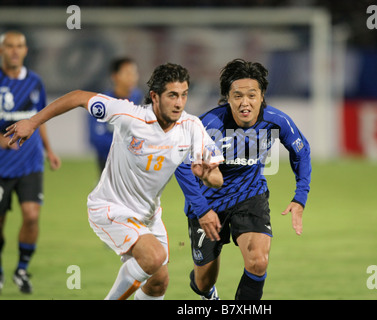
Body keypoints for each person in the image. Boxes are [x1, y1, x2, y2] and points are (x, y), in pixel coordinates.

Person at [4, 63, 224, 300]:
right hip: (111, 207)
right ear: (154, 96)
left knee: (159, 283)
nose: (179, 103)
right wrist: (33, 122)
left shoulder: (191, 127)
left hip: (148, 216)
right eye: (172, 95)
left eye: (183, 95)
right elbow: (78, 97)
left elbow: (217, 179)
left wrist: (205, 175)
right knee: (153, 257)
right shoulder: (130, 115)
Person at [175, 58, 311, 300]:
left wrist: (299, 198)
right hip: (208, 204)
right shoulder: (208, 124)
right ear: (228, 98)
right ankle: (207, 292)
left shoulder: (275, 121)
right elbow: (182, 166)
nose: (245, 102)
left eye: (252, 95)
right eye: (237, 96)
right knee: (203, 282)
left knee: (258, 261)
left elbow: (301, 151)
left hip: (250, 196)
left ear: (261, 96)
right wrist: (201, 208)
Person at [0, 30, 61, 294]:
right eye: (10, 46)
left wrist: (49, 150)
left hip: (30, 162)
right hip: (1, 166)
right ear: (2, 50)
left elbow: (38, 119)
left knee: (32, 215)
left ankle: (22, 269)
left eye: (20, 46)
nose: (15, 50)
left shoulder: (35, 82)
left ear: (25, 50)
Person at [88, 57, 143, 174]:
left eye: (134, 73)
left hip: (136, 163)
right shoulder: (102, 104)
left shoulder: (141, 100)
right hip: (108, 161)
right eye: (127, 73)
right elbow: (96, 138)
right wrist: (128, 146)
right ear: (115, 76)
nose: (132, 77)